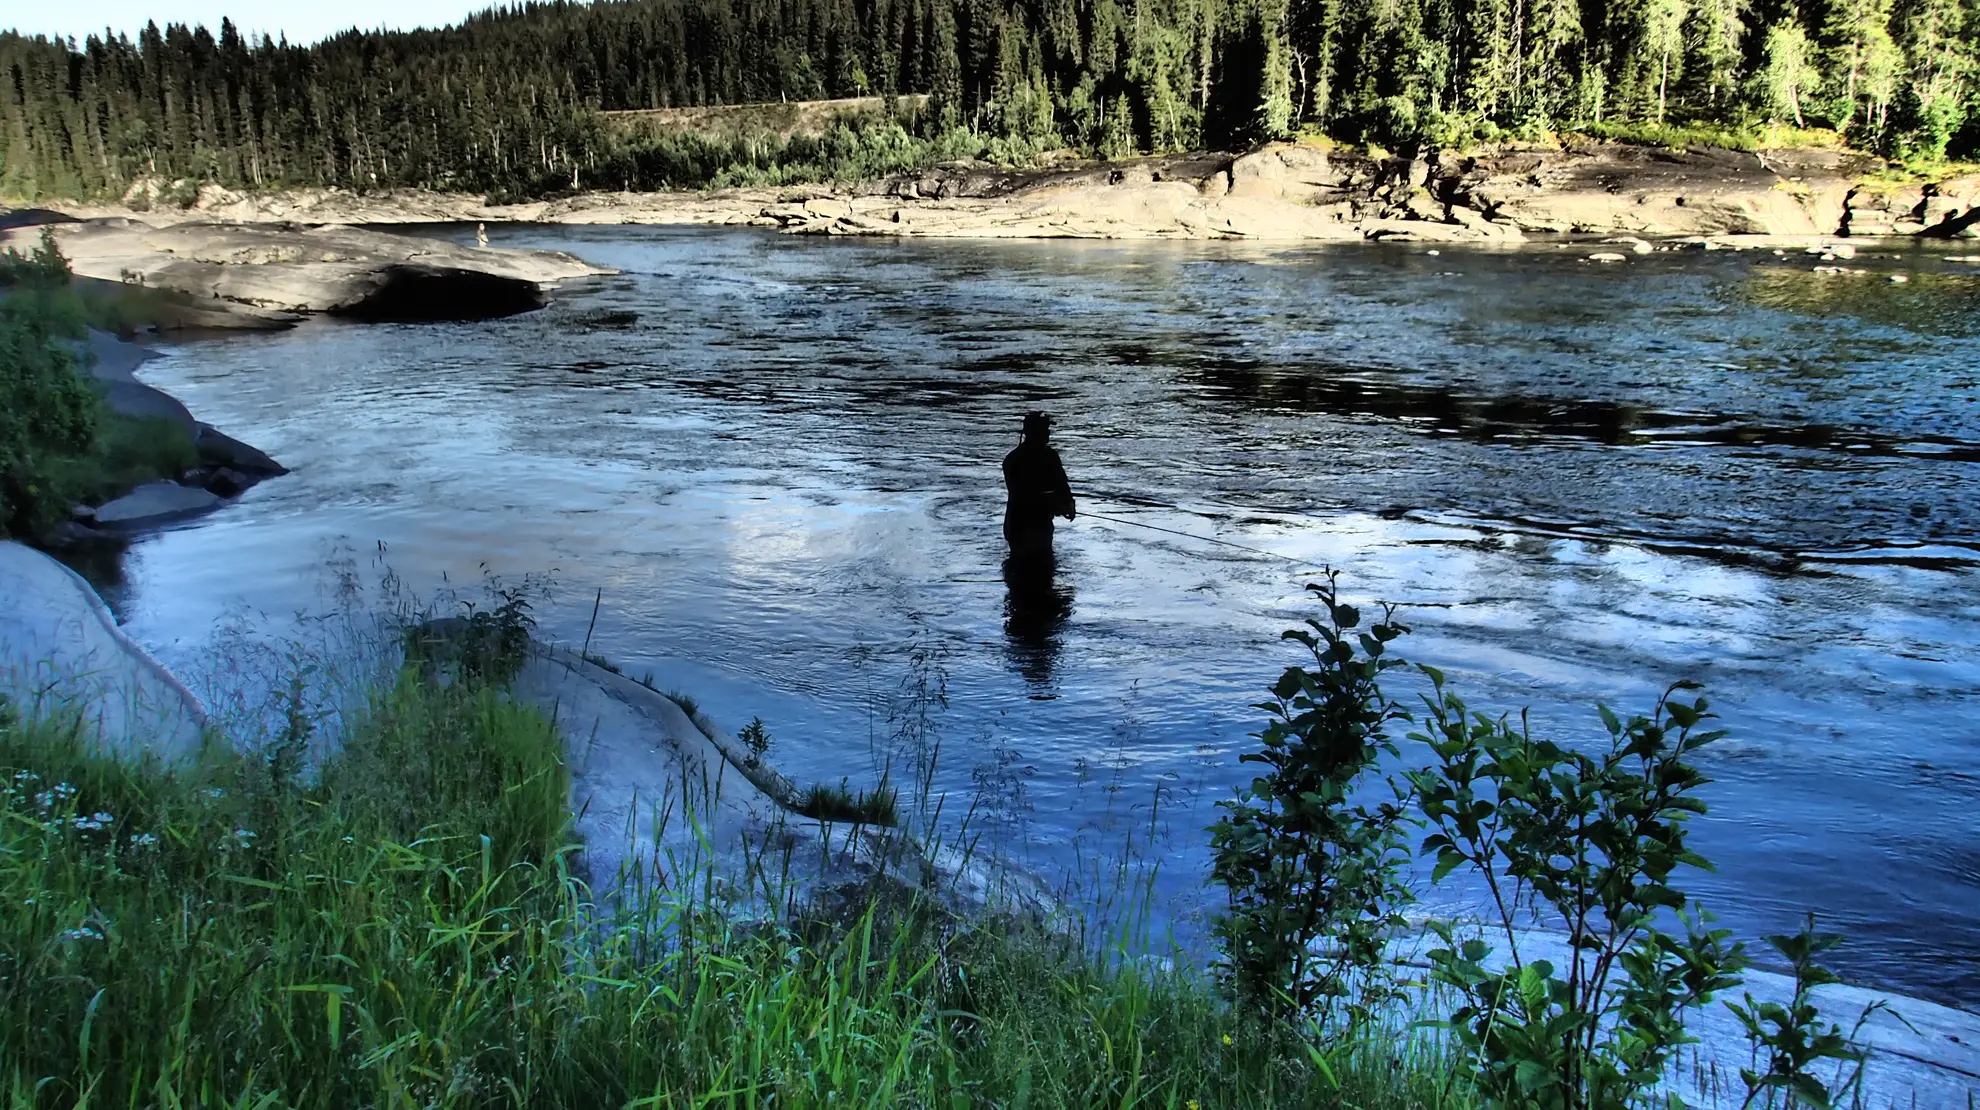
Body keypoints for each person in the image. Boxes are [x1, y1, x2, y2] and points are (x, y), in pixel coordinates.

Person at [1002, 410, 1075, 559]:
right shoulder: (1015, 461)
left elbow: (1062, 485)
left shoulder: (1050, 456)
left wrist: (1069, 503)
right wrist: (1057, 505)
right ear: (1033, 432)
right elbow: (1025, 497)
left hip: (1038, 527)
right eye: (1044, 430)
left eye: (1047, 429)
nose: (1048, 434)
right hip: (1021, 527)